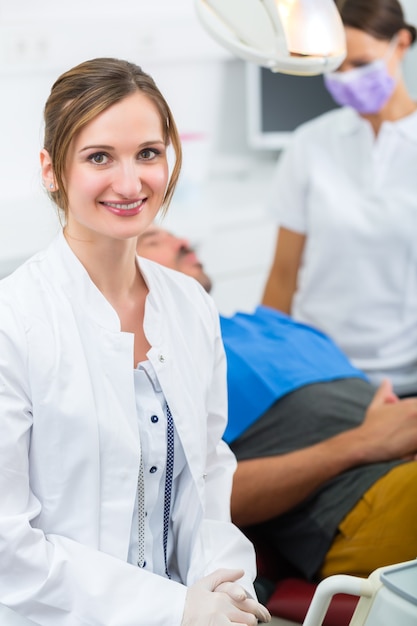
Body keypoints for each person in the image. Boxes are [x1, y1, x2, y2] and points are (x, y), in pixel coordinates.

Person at [0, 58, 271, 626]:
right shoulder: (14, 321)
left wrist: (225, 590)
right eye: (99, 157)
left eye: (148, 153)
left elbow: (209, 474)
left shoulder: (190, 304)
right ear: (51, 170)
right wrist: (175, 609)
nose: (131, 183)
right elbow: (8, 551)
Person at [136, 225, 417, 582]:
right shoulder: (154, 363)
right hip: (358, 501)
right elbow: (194, 497)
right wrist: (363, 443)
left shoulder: (271, 323)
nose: (183, 241)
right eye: (154, 240)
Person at [262, 0, 417, 397]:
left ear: (400, 44)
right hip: (318, 371)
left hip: (404, 379)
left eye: (361, 63)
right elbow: (283, 275)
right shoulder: (310, 143)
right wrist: (268, 364)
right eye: (337, 66)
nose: (347, 78)